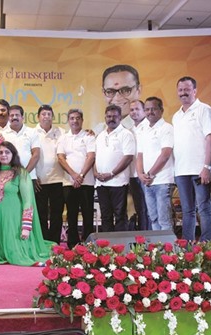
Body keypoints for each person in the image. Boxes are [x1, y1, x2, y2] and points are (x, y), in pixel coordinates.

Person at [0, 141, 54, 266]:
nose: (3, 155)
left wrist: (26, 227)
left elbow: (28, 201)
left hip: (15, 220)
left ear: (13, 155)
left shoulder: (21, 173)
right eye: (0, 152)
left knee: (17, 254)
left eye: (7, 152)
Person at [172, 76, 211, 241]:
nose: (183, 93)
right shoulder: (176, 116)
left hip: (200, 169)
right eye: (181, 90)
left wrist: (207, 167)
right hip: (181, 170)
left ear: (195, 91)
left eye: (187, 90)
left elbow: (210, 139)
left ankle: (206, 245)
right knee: (187, 210)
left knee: (204, 208)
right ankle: (187, 246)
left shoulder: (204, 110)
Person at [57, 108, 96, 248]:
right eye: (72, 118)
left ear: (82, 120)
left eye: (78, 118)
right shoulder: (63, 138)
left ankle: (89, 243)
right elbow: (61, 158)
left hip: (87, 182)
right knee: (71, 214)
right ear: (68, 121)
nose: (75, 121)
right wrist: (74, 175)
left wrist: (81, 176)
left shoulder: (89, 136)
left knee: (87, 214)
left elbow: (91, 156)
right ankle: (72, 243)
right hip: (68, 182)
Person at [94, 104, 135, 232]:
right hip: (101, 183)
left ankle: (120, 247)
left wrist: (111, 174)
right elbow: (95, 157)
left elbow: (128, 157)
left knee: (120, 216)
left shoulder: (126, 134)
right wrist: (95, 173)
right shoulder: (100, 136)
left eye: (115, 116)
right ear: (105, 118)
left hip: (118, 182)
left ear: (120, 118)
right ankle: (107, 246)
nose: (111, 119)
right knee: (105, 216)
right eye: (108, 116)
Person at [137, 97, 174, 231]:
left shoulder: (167, 128)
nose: (150, 112)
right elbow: (139, 155)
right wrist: (141, 175)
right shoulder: (143, 129)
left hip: (162, 181)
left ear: (161, 110)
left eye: (153, 109)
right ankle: (157, 249)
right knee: (153, 218)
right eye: (147, 109)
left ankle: (168, 250)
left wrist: (150, 174)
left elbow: (165, 154)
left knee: (164, 219)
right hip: (147, 182)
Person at [34, 104, 65, 244]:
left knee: (56, 214)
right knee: (40, 213)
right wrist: (34, 176)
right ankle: (43, 242)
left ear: (53, 117)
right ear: (38, 117)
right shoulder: (32, 133)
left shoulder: (61, 132)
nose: (46, 116)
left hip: (58, 179)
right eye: (43, 114)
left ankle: (55, 243)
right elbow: (30, 156)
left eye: (49, 114)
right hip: (39, 180)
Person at [94, 64, 142, 135]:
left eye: (125, 90)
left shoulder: (151, 129)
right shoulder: (98, 131)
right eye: (110, 91)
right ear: (103, 93)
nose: (117, 98)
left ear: (139, 90)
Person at [128, 100, 151, 231]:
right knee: (140, 209)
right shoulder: (130, 130)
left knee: (149, 209)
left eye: (137, 109)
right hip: (133, 174)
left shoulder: (150, 127)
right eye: (131, 110)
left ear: (144, 111)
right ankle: (142, 239)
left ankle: (150, 239)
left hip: (146, 174)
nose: (134, 112)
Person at [2, 105, 41, 181]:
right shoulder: (3, 134)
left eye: (17, 115)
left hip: (29, 176)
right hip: (9, 178)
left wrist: (25, 173)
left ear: (22, 117)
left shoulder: (32, 132)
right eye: (12, 115)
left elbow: (36, 155)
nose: (14, 117)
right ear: (8, 118)